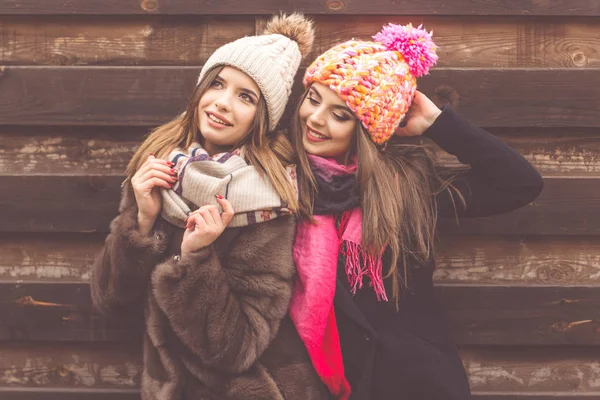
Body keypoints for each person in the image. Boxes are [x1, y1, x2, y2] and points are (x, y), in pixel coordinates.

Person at [288, 23, 544, 400]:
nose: (315, 119)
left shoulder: (405, 189)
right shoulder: (274, 183)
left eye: (340, 115)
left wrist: (439, 124)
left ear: (366, 129)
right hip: (317, 384)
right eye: (313, 98)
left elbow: (520, 183)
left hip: (413, 383)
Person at [91, 13, 331, 400]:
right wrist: (142, 223)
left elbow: (238, 347)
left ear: (262, 118)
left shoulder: (269, 199)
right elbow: (110, 299)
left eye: (245, 96)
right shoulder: (161, 167)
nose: (222, 103)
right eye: (217, 84)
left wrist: (197, 258)